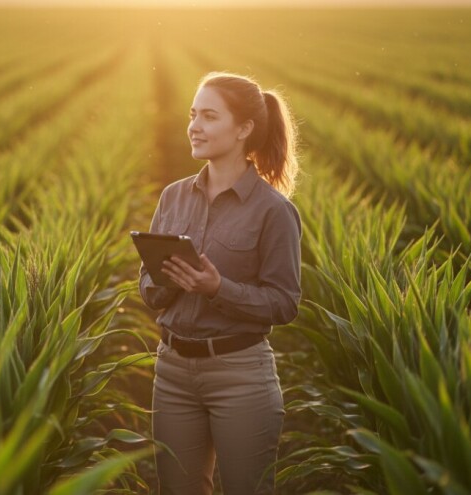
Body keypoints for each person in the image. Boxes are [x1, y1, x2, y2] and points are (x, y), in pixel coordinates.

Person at [138, 71, 302, 495]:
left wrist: (217, 289)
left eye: (209, 116)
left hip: (240, 374)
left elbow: (285, 303)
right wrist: (171, 280)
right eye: (193, 115)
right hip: (172, 371)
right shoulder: (172, 196)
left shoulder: (273, 211)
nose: (194, 126)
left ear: (244, 128)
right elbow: (148, 289)